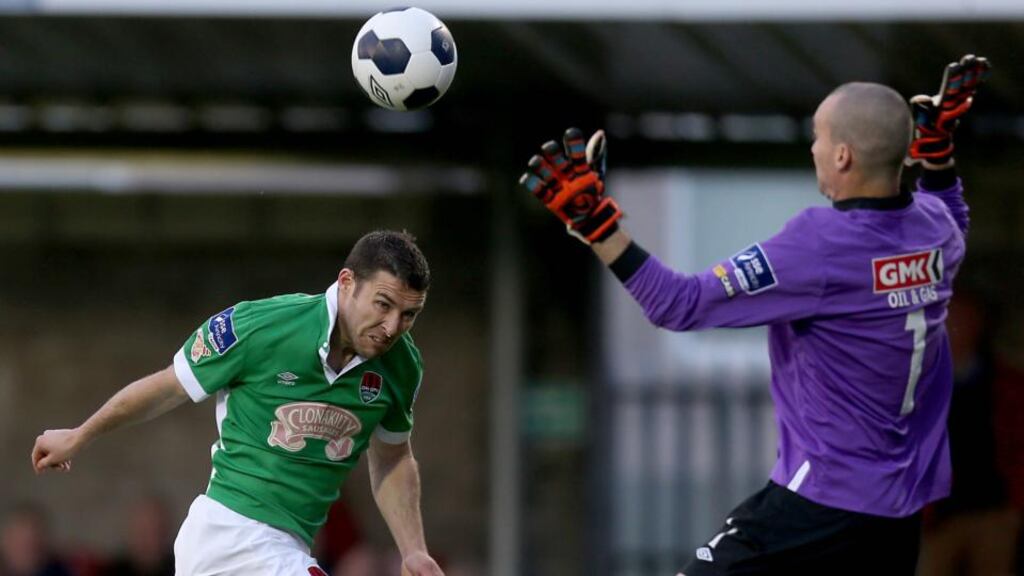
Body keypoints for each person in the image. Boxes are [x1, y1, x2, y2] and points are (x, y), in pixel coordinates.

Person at [519, 55, 990, 574]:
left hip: (822, 500)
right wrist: (939, 154)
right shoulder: (936, 231)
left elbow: (679, 305)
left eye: (817, 136)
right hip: (898, 512)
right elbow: (950, 208)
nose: (811, 148)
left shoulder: (821, 245)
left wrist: (597, 224)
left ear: (842, 156)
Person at [31, 230, 444, 576]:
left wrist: (412, 550)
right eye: (384, 305)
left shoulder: (402, 366)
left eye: (410, 315)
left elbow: (391, 458)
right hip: (229, 536)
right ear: (347, 283)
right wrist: (80, 435)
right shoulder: (263, 326)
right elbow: (168, 387)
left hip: (286, 549)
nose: (393, 327)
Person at [102, 495, 174, 576]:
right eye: (143, 531)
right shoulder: (113, 571)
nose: (148, 541)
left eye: (155, 531)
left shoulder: (179, 568)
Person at [0, 502, 73, 576]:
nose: (26, 549)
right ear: (5, 541)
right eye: (18, 542)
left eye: (32, 543)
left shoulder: (59, 571)